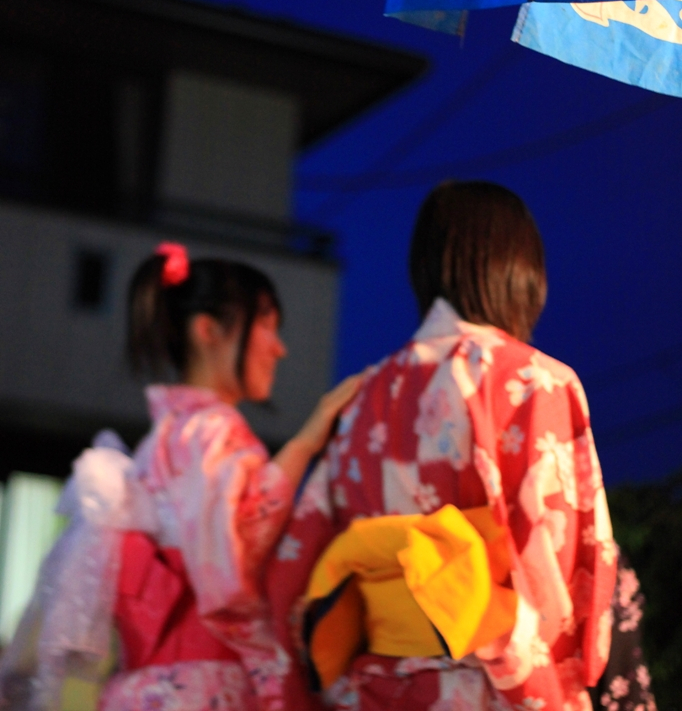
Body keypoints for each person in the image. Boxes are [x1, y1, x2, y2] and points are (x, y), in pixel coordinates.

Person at [267, 180, 618, 711]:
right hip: (490, 687)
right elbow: (562, 569)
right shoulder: (537, 382)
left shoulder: (363, 398)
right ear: (520, 269)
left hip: (376, 691)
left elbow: (302, 557)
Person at [0, 243, 361, 711]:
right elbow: (235, 561)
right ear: (208, 331)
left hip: (144, 685)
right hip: (206, 686)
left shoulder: (162, 440)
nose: (279, 347)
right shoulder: (215, 433)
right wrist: (305, 445)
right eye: (267, 327)